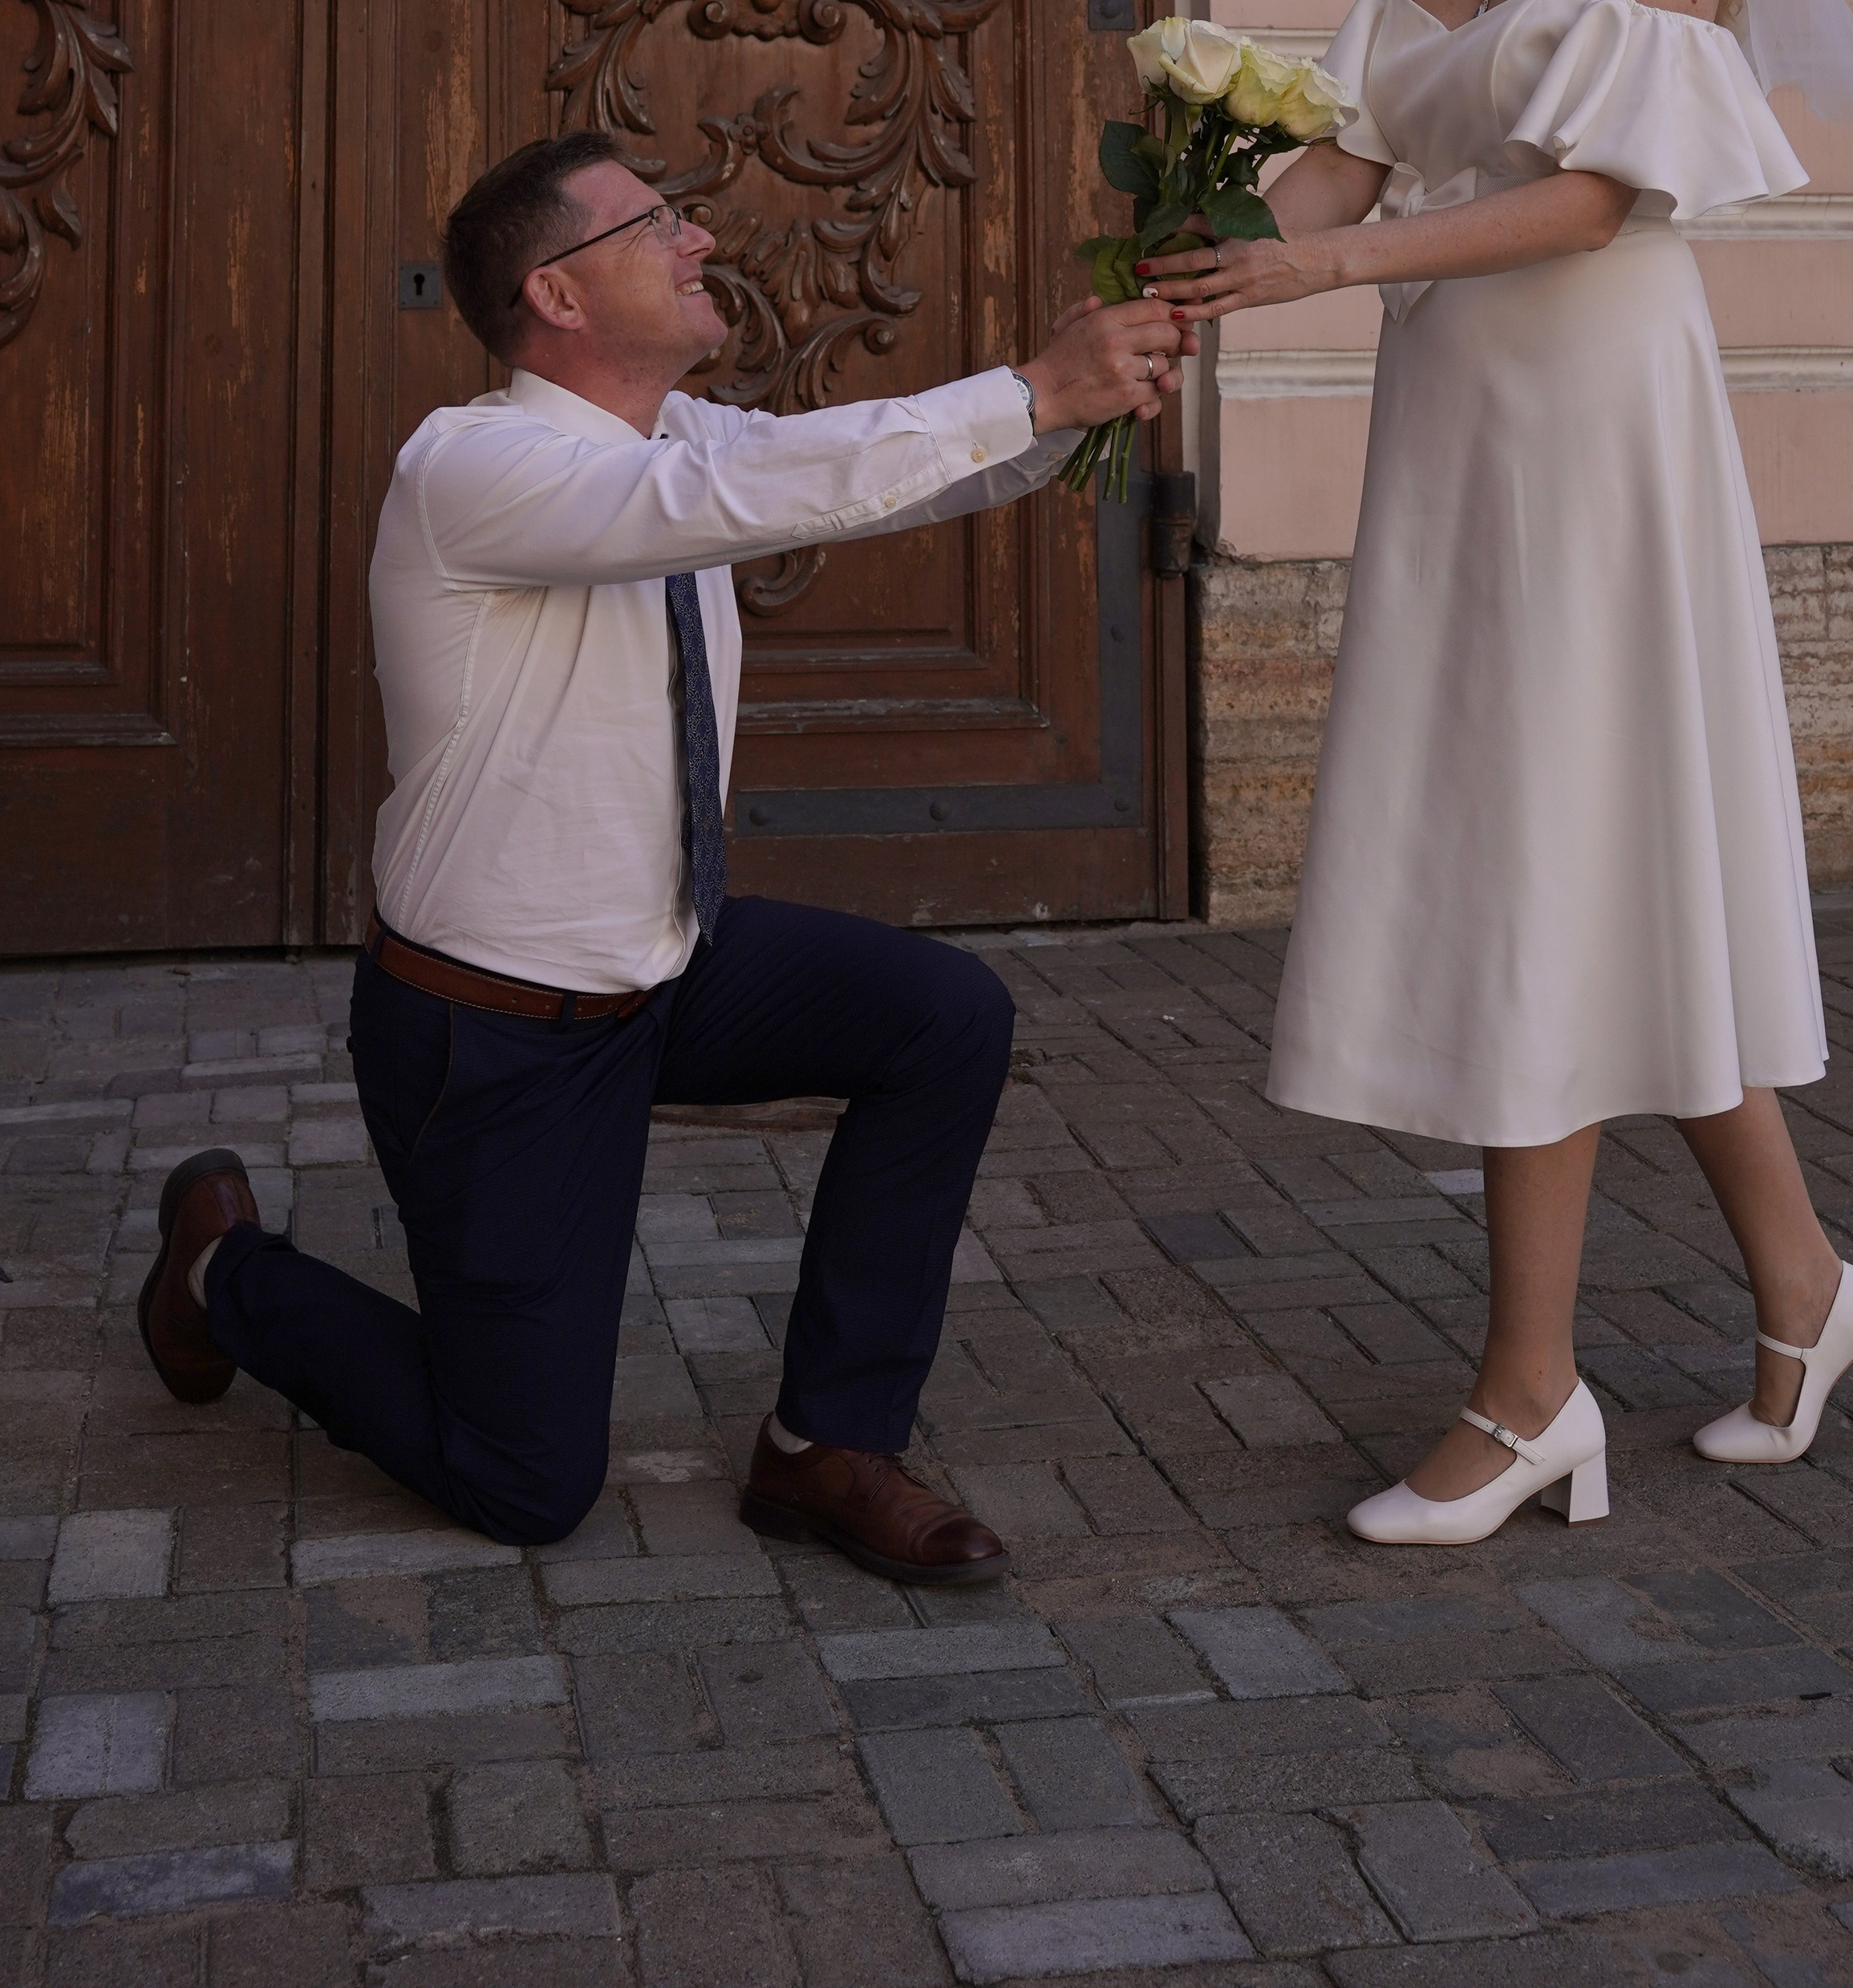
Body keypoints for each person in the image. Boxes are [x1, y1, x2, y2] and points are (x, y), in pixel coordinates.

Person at [1137, 0, 1853, 1548]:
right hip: (1460, 435)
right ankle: (1808, 1298)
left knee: (1545, 865)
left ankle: (1524, 1394)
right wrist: (1182, 230)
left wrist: (1326, 257)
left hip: (1594, 430)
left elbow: (1586, 195)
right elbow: (1351, 156)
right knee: (1604, 861)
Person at [136, 129, 1194, 1576]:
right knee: (524, 1480)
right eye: (654, 227)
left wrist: (1073, 403)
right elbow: (726, 505)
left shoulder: (677, 442)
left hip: (669, 966)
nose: (699, 240)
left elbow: (857, 475)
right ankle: (218, 1269)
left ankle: (826, 1443)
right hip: (493, 1035)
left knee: (948, 1018)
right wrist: (1029, 388)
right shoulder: (474, 465)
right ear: (557, 298)